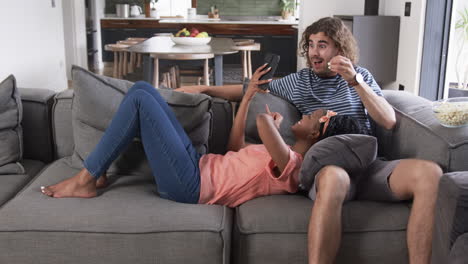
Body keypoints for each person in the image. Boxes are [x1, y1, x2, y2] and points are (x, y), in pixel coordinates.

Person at [177, 16, 442, 264]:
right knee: (334, 178)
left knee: (430, 173)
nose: (314, 53)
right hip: (330, 166)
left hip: (370, 164)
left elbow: (388, 120)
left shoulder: (360, 76)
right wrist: (205, 88)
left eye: (322, 45)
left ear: (340, 49)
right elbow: (250, 88)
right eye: (311, 45)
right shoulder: (301, 82)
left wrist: (355, 81)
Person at [40, 65, 363, 210]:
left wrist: (270, 124)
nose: (305, 114)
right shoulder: (284, 153)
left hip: (190, 185)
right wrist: (247, 96)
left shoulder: (294, 166)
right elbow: (236, 148)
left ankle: (86, 178)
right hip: (196, 165)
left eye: (311, 116)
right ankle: (95, 174)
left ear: (318, 130)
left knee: (140, 99)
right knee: (142, 90)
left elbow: (265, 125)